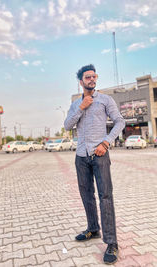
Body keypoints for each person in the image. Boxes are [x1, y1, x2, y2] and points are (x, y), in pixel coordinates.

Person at [64, 64, 125, 265]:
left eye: (93, 76)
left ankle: (112, 242)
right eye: (87, 77)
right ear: (81, 82)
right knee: (86, 194)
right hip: (81, 154)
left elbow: (119, 122)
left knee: (105, 196)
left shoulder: (105, 100)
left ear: (96, 78)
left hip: (100, 154)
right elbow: (67, 125)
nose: (91, 79)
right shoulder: (75, 104)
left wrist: (106, 142)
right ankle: (93, 228)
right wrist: (81, 108)